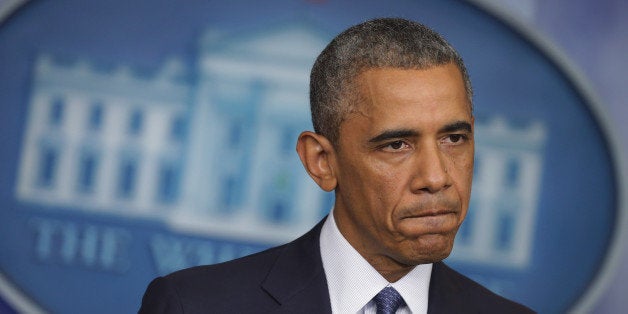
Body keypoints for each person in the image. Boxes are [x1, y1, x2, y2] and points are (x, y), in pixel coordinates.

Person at [139, 17, 534, 313]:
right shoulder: (194, 306)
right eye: (397, 144)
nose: (436, 177)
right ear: (322, 162)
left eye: (454, 139)